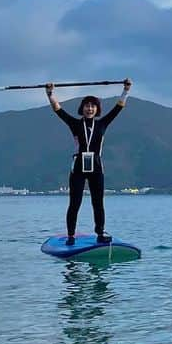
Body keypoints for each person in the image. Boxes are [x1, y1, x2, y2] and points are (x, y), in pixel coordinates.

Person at [47, 78, 132, 245]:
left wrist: (126, 90)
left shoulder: (102, 124)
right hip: (78, 166)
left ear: (97, 109)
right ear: (82, 108)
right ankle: (71, 235)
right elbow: (59, 111)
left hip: (96, 167)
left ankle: (100, 233)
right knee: (75, 202)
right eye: (87, 105)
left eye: (93, 106)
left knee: (98, 202)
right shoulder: (74, 124)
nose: (90, 108)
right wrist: (50, 94)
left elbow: (118, 108)